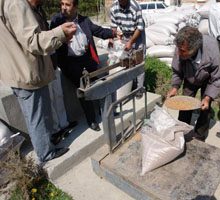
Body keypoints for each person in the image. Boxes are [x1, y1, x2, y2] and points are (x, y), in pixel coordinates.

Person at [0, 0, 77, 163]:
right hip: (27, 72)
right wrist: (60, 33)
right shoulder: (17, 4)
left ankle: (43, 145)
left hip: (16, 72)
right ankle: (46, 153)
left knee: (32, 116)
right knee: (38, 117)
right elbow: (33, 41)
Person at [50, 0, 117, 131]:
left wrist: (114, 33)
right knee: (83, 89)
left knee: (98, 83)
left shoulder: (84, 20)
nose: (63, 8)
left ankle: (105, 111)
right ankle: (91, 120)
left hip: (87, 59)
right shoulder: (57, 21)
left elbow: (99, 31)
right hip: (70, 62)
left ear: (75, 7)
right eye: (62, 4)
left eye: (67, 5)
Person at [27, 0, 78, 144]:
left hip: (53, 61)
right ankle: (56, 129)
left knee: (58, 95)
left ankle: (64, 124)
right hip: (42, 63)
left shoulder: (39, 10)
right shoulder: (26, 11)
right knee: (50, 99)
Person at [167, 26, 220, 141]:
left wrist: (208, 98)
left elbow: (217, 78)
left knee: (204, 108)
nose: (179, 53)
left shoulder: (211, 49)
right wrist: (175, 87)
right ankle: (181, 133)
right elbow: (177, 71)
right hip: (190, 76)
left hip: (208, 79)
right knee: (185, 104)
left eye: (183, 51)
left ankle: (200, 136)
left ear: (194, 48)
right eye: (178, 49)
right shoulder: (180, 48)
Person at [110, 0, 146, 98]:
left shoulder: (135, 7)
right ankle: (129, 85)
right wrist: (111, 38)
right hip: (125, 34)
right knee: (127, 61)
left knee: (139, 61)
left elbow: (139, 27)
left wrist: (131, 42)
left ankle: (139, 88)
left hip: (137, 34)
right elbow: (113, 26)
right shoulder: (113, 7)